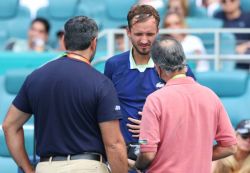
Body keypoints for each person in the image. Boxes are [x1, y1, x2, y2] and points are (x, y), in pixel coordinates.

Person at [3, 16, 127, 173]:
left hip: (46, 167)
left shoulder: (35, 77)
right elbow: (114, 144)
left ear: (64, 41)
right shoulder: (101, 82)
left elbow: (9, 126)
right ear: (94, 42)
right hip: (88, 167)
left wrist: (28, 169)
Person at [128, 37, 237, 172]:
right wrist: (196, 158)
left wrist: (136, 167)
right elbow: (230, 146)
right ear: (184, 62)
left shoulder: (155, 100)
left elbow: (147, 151)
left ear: (158, 67)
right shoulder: (211, 96)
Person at [104, 4, 195, 163]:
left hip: (165, 155)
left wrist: (154, 128)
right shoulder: (113, 65)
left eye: (150, 34)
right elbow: (106, 109)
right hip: (124, 157)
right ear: (128, 32)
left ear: (158, 32)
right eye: (138, 34)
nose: (144, 40)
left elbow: (191, 112)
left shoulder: (176, 66)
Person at [214, 0, 250, 69]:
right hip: (224, 54)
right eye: (224, 1)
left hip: (244, 54)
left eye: (232, 0)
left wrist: (245, 46)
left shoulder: (248, 17)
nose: (228, 3)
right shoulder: (217, 17)